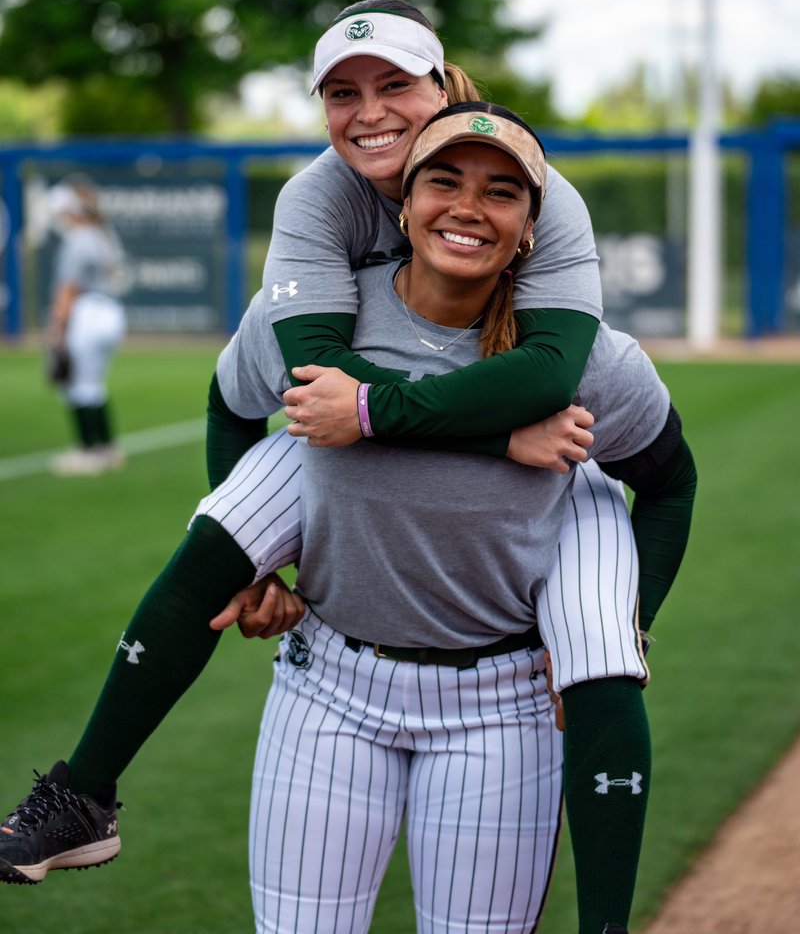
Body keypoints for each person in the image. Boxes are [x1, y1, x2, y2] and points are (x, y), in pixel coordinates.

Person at [0, 105, 695, 934]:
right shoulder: (321, 318)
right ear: (401, 204)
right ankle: (84, 794)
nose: (469, 206)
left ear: (531, 230)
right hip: (329, 691)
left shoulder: (594, 361)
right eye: (443, 180)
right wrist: (258, 572)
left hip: (501, 708)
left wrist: (634, 619)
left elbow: (670, 483)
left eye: (501, 192)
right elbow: (231, 407)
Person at [44, 175, 127, 476]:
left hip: (87, 313)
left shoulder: (77, 239)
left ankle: (90, 451)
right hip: (111, 312)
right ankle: (107, 448)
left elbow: (68, 288)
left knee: (79, 386)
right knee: (93, 383)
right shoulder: (104, 234)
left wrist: (57, 326)